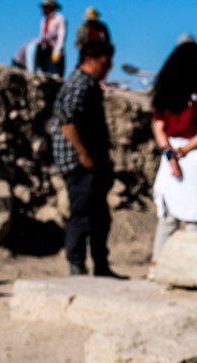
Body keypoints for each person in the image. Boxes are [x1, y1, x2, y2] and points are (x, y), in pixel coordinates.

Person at [149, 38, 197, 264]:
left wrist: (170, 151)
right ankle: (191, 265)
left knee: (169, 219)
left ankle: (157, 264)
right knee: (194, 221)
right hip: (196, 156)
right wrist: (183, 150)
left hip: (175, 154)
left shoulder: (166, 90)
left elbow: (158, 126)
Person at [52, 39, 117, 277]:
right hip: (80, 162)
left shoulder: (90, 84)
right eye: (104, 62)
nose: (108, 68)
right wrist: (83, 154)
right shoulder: (79, 84)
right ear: (90, 61)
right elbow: (67, 123)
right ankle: (77, 265)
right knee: (81, 215)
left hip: (91, 160)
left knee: (100, 216)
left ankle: (102, 266)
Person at [37, 0, 68, 76]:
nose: (42, 9)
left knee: (55, 75)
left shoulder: (60, 18)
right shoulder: (43, 21)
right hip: (44, 51)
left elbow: (61, 37)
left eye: (44, 7)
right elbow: (42, 36)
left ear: (50, 7)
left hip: (55, 52)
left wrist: (57, 52)